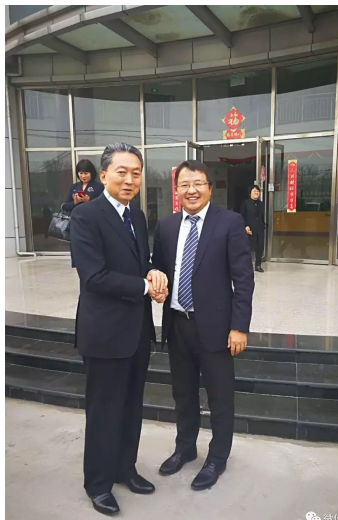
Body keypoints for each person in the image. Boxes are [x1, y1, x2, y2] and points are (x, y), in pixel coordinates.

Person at [70, 143, 168, 517]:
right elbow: (93, 277)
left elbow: (137, 263)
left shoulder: (136, 216)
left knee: (131, 406)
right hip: (104, 333)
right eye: (122, 172)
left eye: (136, 173)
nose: (129, 179)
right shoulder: (86, 215)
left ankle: (125, 469)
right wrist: (144, 287)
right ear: (104, 175)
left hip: (137, 330)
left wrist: (152, 273)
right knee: (104, 411)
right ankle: (98, 484)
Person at [152, 160, 254, 491]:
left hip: (217, 329)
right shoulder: (166, 226)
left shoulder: (230, 222)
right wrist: (156, 283)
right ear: (177, 189)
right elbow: (159, 268)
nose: (191, 190)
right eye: (185, 184)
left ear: (210, 187)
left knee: (220, 397)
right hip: (177, 325)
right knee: (183, 394)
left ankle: (217, 458)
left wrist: (239, 326)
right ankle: (185, 448)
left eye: (198, 183)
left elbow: (243, 278)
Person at [240, 185, 266, 273]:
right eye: (254, 191)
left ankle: (258, 265)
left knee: (260, 247)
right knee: (248, 248)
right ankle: (246, 265)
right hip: (249, 229)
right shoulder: (246, 203)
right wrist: (245, 226)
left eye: (258, 191)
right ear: (250, 193)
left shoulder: (261, 204)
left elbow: (262, 216)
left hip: (260, 228)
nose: (256, 193)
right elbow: (242, 216)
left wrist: (264, 225)